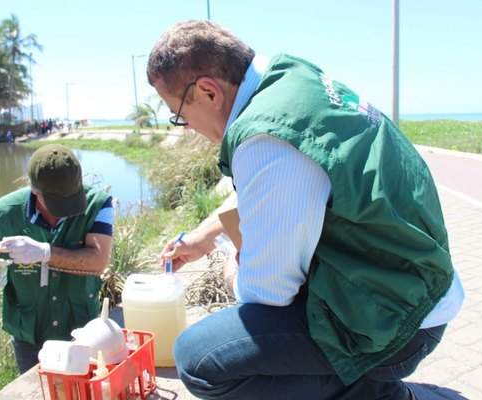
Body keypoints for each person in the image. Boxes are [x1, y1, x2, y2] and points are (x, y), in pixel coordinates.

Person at [149, 20, 465, 400]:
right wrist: (204, 235)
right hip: (414, 286)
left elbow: (267, 296)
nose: (184, 128)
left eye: (179, 113)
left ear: (208, 91)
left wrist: (232, 268)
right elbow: (274, 181)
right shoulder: (289, 84)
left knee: (200, 359)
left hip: (399, 321)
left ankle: (384, 394)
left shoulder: (263, 138)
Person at [0, 144, 114, 374]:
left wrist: (45, 252)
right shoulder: (5, 210)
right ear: (34, 189)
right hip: (29, 333)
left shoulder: (98, 204)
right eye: (57, 202)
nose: (65, 210)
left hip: (80, 327)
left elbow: (98, 261)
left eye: (71, 199)